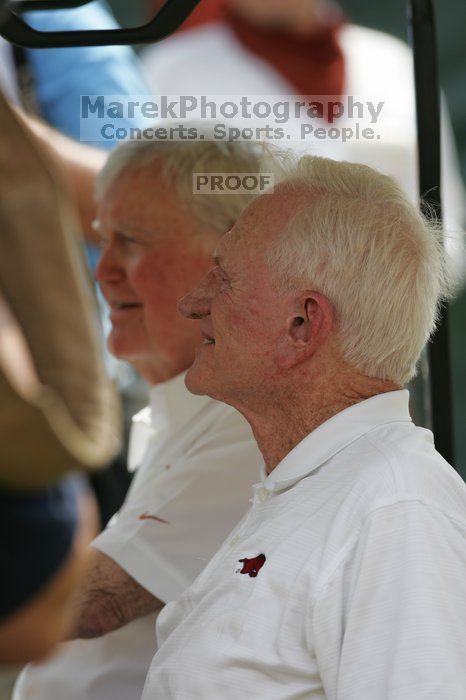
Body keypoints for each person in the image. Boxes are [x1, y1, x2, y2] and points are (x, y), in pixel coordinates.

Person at [140, 155, 466, 699]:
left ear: (302, 325)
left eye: (224, 278)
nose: (192, 303)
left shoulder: (395, 507)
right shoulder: (338, 488)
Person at [13, 138, 275, 700]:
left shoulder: (249, 425)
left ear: (230, 262)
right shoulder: (186, 411)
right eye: (101, 238)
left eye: (130, 241)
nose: (103, 269)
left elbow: (84, 604)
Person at [142, 0, 465, 269]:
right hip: (241, 332)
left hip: (394, 333)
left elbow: (449, 228)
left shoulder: (394, 61)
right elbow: (158, 229)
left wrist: (380, 280)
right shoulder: (170, 72)